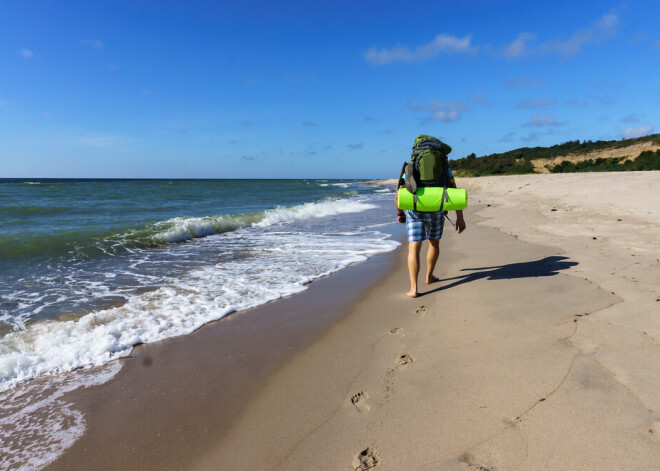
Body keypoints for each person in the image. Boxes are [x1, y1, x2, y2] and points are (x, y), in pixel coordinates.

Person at [395, 167, 466, 298]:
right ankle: (429, 276)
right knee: (433, 244)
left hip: (414, 211)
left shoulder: (411, 165)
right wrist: (460, 218)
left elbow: (398, 194)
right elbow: (454, 192)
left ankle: (413, 289)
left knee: (414, 247)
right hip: (436, 210)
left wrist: (400, 213)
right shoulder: (445, 168)